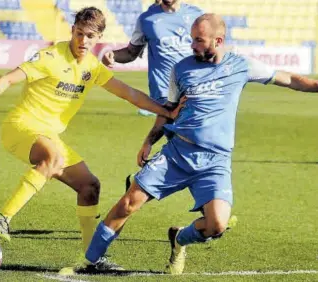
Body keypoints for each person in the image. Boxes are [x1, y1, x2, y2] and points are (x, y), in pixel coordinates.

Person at [82, 13, 318, 274]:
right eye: (192, 39)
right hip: (177, 154)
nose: (192, 46)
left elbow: (292, 80)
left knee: (216, 225)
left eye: (198, 40)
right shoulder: (181, 69)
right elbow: (168, 109)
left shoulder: (242, 65)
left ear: (218, 40)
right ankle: (89, 262)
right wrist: (149, 141)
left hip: (214, 163)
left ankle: (180, 238)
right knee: (128, 203)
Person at [0, 6, 182, 271]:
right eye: (79, 33)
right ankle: (1, 219)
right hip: (20, 127)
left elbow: (129, 94)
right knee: (52, 156)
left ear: (98, 37)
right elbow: (10, 78)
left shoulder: (92, 67)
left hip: (49, 135)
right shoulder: (50, 56)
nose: (83, 41)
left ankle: (90, 258)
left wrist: (166, 111)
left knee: (90, 186)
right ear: (72, 31)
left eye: (90, 36)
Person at [102, 0, 204, 116]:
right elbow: (131, 52)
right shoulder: (146, 19)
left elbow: (209, 49)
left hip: (193, 89)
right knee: (173, 131)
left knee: (190, 132)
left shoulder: (197, 15)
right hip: (163, 94)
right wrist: (113, 55)